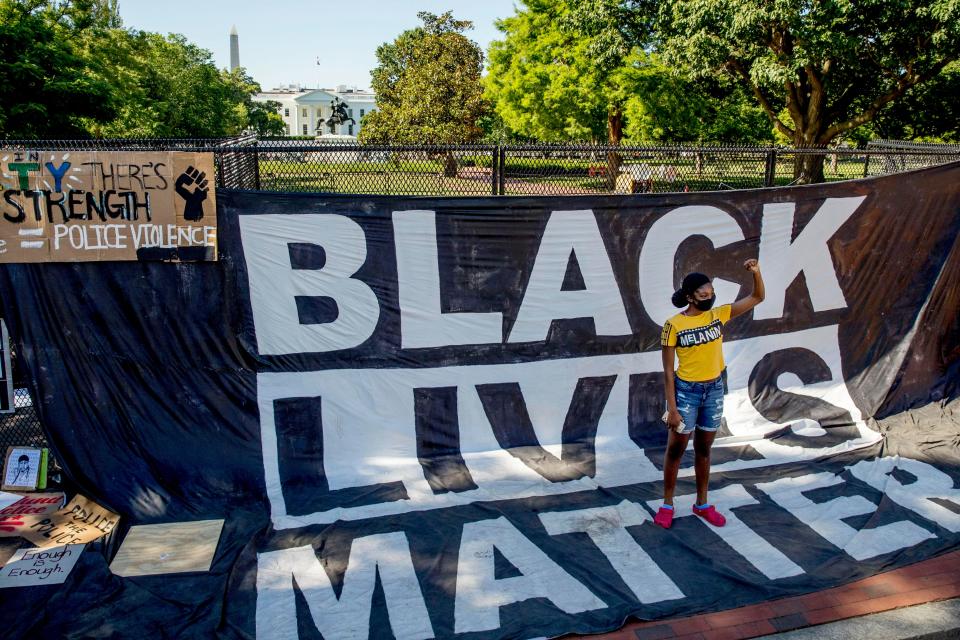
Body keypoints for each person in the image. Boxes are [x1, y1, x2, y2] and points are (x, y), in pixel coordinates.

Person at [654, 259, 765, 529]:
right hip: (685, 392)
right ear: (690, 297)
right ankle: (667, 504)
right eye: (703, 295)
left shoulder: (718, 315)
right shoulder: (673, 325)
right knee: (676, 450)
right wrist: (672, 408)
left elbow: (758, 297)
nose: (709, 297)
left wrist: (756, 273)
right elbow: (668, 370)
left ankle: (701, 504)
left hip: (714, 389)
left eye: (711, 293)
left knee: (704, 449)